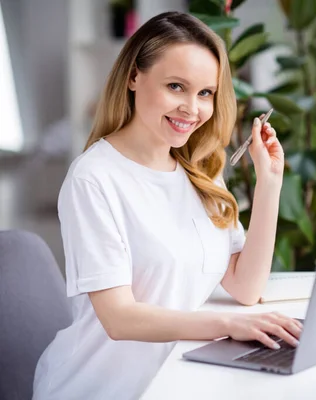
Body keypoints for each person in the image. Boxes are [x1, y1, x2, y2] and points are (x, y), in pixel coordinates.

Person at [32, 11, 302, 400]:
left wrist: (269, 184)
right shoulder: (94, 178)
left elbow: (246, 286)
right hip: (100, 389)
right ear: (133, 77)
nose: (192, 109)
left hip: (175, 379)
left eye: (205, 93)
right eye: (176, 86)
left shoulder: (201, 170)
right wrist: (227, 324)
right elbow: (119, 318)